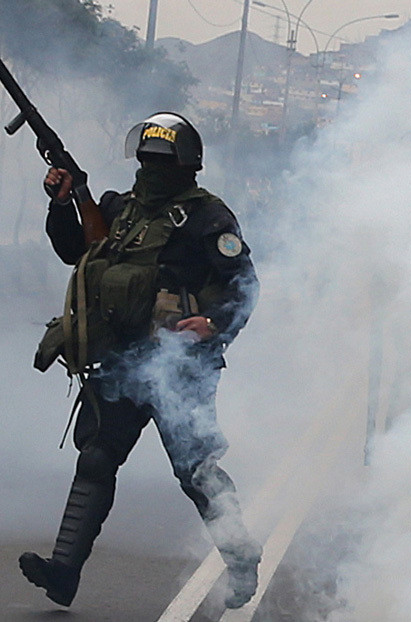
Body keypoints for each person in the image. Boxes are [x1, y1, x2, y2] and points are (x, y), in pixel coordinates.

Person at [21, 112, 262, 609]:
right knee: (96, 458)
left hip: (179, 369)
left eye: (161, 163)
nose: (151, 170)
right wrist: (62, 204)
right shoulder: (120, 210)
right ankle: (63, 573)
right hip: (122, 360)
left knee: (196, 471)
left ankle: (241, 559)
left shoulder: (209, 219)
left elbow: (244, 284)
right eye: (146, 160)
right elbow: (75, 251)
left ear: (187, 167)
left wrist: (213, 324)